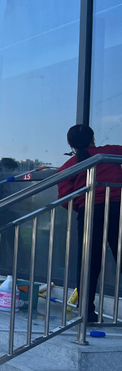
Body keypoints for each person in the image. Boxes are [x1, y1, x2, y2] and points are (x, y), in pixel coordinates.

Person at [57, 124, 122, 323]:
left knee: (88, 262)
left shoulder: (69, 166)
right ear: (93, 138)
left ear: (70, 144)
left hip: (89, 213)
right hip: (117, 209)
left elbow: (65, 197)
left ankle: (86, 311)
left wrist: (80, 206)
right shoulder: (110, 153)